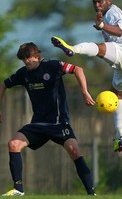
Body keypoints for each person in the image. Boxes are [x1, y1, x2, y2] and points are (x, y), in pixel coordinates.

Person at [50, 0, 122, 153]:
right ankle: (120, 136)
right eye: (94, 1)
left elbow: (120, 31)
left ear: (108, 1)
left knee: (100, 49)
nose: (97, 4)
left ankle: (73, 49)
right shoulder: (104, 16)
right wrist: (102, 26)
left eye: (100, 1)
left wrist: (102, 26)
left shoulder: (113, 11)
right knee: (116, 95)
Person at [0, 42, 96, 196]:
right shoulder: (23, 73)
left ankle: (91, 193)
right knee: (13, 144)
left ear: (37, 56)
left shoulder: (53, 66)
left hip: (58, 122)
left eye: (28, 58)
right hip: (38, 124)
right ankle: (18, 189)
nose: (26, 61)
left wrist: (85, 92)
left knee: (74, 150)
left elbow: (78, 69)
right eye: (23, 59)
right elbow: (3, 85)